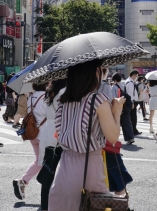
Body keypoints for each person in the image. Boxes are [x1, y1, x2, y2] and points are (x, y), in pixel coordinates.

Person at [48, 59, 125, 211]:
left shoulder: (64, 100)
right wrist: (117, 113)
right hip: (89, 166)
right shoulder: (97, 100)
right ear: (94, 72)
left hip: (64, 166)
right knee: (94, 205)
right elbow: (113, 137)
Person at [13, 83, 48, 201]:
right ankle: (24, 181)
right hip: (44, 133)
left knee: (39, 160)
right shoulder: (46, 97)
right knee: (45, 161)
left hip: (32, 132)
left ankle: (23, 181)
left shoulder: (30, 98)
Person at [36, 79, 67, 211]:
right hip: (57, 131)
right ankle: (52, 204)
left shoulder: (50, 92)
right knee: (56, 170)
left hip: (48, 131)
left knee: (48, 167)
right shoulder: (63, 93)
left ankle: (44, 204)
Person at [111, 73, 135, 145]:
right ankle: (130, 138)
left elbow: (113, 97)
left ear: (114, 80)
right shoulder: (123, 86)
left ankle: (115, 139)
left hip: (118, 106)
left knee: (116, 122)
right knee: (127, 122)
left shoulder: (114, 87)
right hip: (125, 107)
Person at [126, 70, 141, 135]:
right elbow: (130, 94)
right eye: (136, 76)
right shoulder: (130, 83)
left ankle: (133, 130)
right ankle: (134, 130)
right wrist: (132, 103)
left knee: (131, 116)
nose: (136, 77)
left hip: (129, 101)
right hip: (131, 102)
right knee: (133, 117)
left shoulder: (128, 81)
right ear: (133, 75)